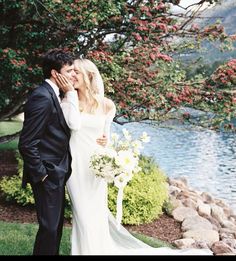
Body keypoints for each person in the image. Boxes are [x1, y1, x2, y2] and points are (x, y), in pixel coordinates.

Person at [57, 58, 213, 255]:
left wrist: (107, 147)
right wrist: (70, 95)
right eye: (71, 72)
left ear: (89, 76)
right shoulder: (68, 101)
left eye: (76, 72)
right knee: (82, 214)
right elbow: (72, 126)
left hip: (96, 165)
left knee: (96, 214)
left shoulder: (106, 105)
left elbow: (106, 136)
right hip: (76, 165)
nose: (71, 76)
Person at [18, 48, 77, 255]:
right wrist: (42, 174)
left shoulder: (54, 94)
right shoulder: (42, 96)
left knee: (54, 227)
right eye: (69, 71)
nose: (73, 75)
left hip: (57, 171)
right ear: (55, 73)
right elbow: (27, 142)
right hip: (48, 174)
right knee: (49, 228)